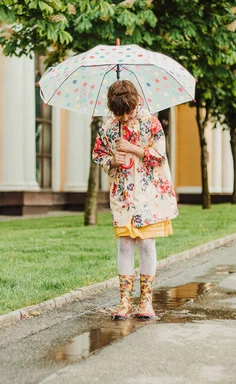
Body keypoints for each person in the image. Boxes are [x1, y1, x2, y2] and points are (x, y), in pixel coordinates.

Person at [92, 80, 178, 320]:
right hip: (122, 194)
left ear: (136, 102)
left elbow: (160, 157)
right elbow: (98, 154)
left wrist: (133, 148)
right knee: (125, 245)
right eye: (118, 114)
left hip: (149, 193)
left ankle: (146, 302)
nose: (123, 118)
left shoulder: (151, 123)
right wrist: (112, 161)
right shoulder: (109, 127)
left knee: (147, 244)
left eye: (127, 112)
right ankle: (124, 302)